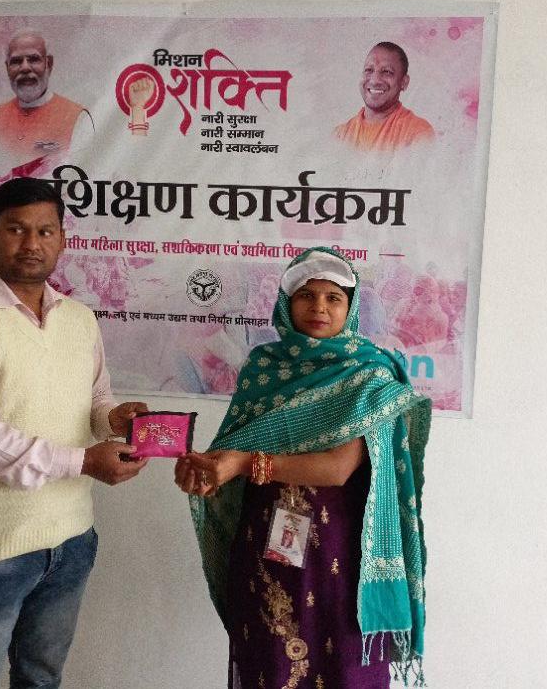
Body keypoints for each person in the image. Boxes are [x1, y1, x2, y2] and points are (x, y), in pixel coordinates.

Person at [0, 176, 148, 689]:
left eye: (45, 231)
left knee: (41, 678)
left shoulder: (79, 319)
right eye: (16, 229)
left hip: (71, 538)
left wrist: (115, 419)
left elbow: (94, 402)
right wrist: (85, 461)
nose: (31, 243)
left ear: (62, 239)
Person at [177, 248, 432, 688]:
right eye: (306, 296)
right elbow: (231, 451)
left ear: (350, 308)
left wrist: (244, 463)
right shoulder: (264, 369)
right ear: (286, 303)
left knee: (341, 666)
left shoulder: (369, 375)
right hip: (266, 545)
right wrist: (208, 472)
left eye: (334, 298)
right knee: (271, 664)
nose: (319, 307)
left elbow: (338, 468)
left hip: (340, 552)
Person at [0, 30, 94, 163]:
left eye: (34, 59)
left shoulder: (78, 117)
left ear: (49, 64)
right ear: (7, 67)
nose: (25, 68)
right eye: (16, 61)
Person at [335, 42, 435, 151]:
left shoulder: (418, 134)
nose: (375, 81)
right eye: (369, 70)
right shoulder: (340, 135)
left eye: (387, 72)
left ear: (404, 82)